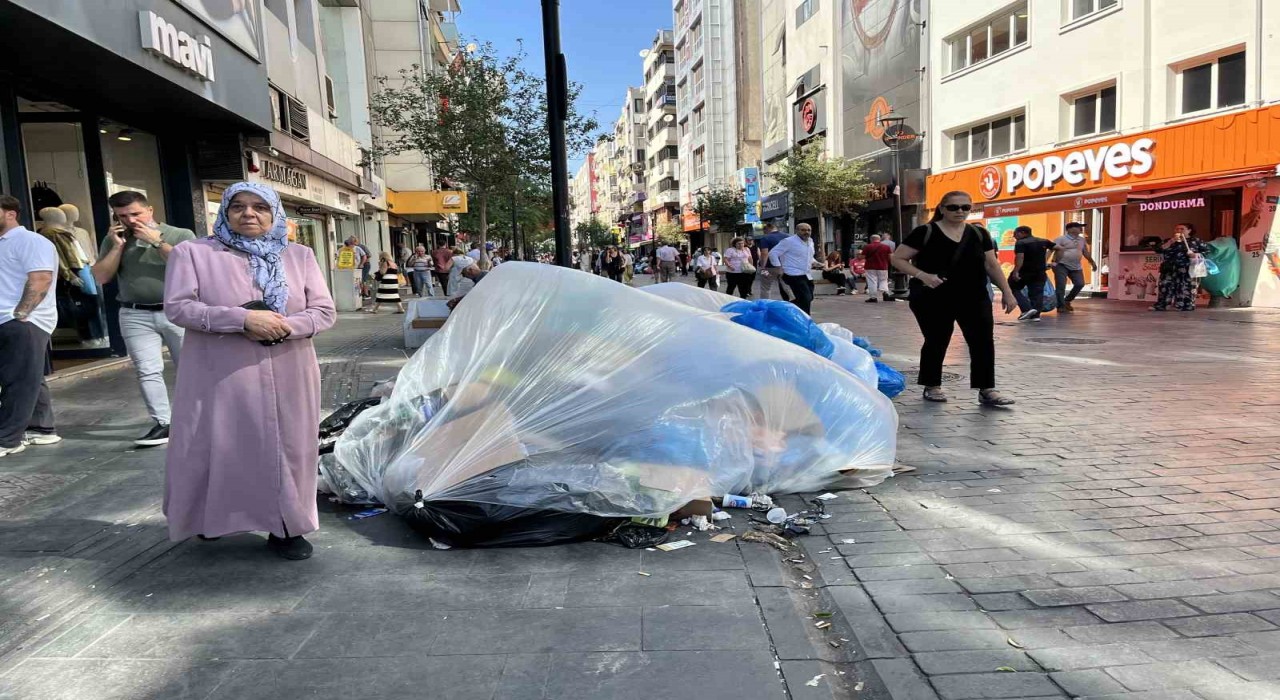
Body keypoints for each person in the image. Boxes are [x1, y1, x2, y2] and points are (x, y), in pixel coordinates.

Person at [163, 182, 336, 558]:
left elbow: (323, 311)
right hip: (221, 372)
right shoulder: (192, 253)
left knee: (287, 448)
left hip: (289, 368)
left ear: (275, 215)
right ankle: (211, 519)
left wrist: (283, 325)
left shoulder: (300, 255)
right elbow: (179, 307)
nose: (249, 214)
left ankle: (288, 526)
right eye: (237, 207)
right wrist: (241, 319)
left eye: (260, 207)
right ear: (224, 213)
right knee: (218, 444)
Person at [891, 190, 1017, 406]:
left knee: (983, 341)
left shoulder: (979, 234)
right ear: (942, 208)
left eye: (965, 207)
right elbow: (897, 258)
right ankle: (932, 385)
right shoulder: (926, 232)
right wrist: (923, 275)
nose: (960, 211)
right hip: (935, 296)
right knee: (937, 339)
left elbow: (991, 264)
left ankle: (987, 388)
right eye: (953, 207)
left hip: (974, 295)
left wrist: (1007, 292)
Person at [92, 191, 197, 447]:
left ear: (149, 209)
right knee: (147, 370)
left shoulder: (180, 234)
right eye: (123, 216)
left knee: (191, 368)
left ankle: (197, 420)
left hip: (177, 311)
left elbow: (190, 266)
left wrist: (156, 241)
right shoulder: (115, 239)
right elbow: (101, 277)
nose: (130, 220)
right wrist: (116, 246)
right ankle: (163, 423)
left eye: (136, 213)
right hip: (134, 312)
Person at [0, 195, 60, 457]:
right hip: (9, 319)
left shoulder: (31, 241)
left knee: (17, 381)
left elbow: (41, 279)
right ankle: (42, 428)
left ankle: (7, 439)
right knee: (28, 374)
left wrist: (22, 314)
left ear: (10, 213)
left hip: (23, 320)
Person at [1152, 223, 1212, 312]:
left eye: (1182, 229)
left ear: (1189, 230)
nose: (1179, 231)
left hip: (1187, 268)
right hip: (1169, 268)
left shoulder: (1196, 241)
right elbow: (1158, 250)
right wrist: (1170, 242)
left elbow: (1207, 252)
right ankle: (1162, 305)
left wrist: (1195, 254)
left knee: (1186, 287)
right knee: (1165, 286)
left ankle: (1185, 305)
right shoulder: (1169, 240)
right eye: (1177, 229)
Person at [768, 223, 822, 313]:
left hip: (806, 274)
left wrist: (815, 262)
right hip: (792, 274)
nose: (806, 232)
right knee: (805, 299)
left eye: (809, 230)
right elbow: (773, 253)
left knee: (809, 297)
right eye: (803, 230)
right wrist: (778, 267)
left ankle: (790, 313)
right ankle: (805, 320)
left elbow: (808, 255)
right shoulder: (788, 241)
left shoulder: (810, 241)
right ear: (797, 231)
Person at [1008, 225, 1056, 321]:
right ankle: (1035, 315)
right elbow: (1058, 248)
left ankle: (1027, 309)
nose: (1014, 236)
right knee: (1037, 292)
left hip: (1024, 271)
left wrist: (1016, 271)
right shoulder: (1044, 241)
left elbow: (1020, 257)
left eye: (1015, 234)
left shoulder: (1021, 243)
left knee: (1011, 286)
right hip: (1040, 271)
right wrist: (1053, 261)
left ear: (1022, 233)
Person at [1051, 222, 1096, 312]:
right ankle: (1061, 306)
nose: (1081, 228)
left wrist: (1092, 262)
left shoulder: (1082, 240)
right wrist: (1047, 262)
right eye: (1078, 227)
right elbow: (1050, 250)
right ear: (1069, 229)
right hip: (1060, 265)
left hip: (1076, 266)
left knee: (1080, 284)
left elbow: (1085, 252)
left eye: (1081, 227)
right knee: (1061, 286)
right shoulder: (1060, 239)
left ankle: (1067, 300)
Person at [755, 224, 793, 302]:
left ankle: (765, 304)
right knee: (787, 286)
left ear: (766, 230)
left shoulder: (765, 238)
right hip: (785, 267)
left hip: (769, 267)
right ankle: (794, 302)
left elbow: (765, 253)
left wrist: (763, 267)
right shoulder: (788, 237)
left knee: (766, 287)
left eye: (764, 231)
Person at [862, 234, 895, 303]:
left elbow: (862, 257)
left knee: (872, 281)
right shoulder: (886, 247)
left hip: (870, 267)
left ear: (871, 239)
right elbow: (891, 257)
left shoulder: (867, 246)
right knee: (883, 280)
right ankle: (885, 293)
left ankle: (873, 297)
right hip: (883, 266)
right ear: (879, 239)